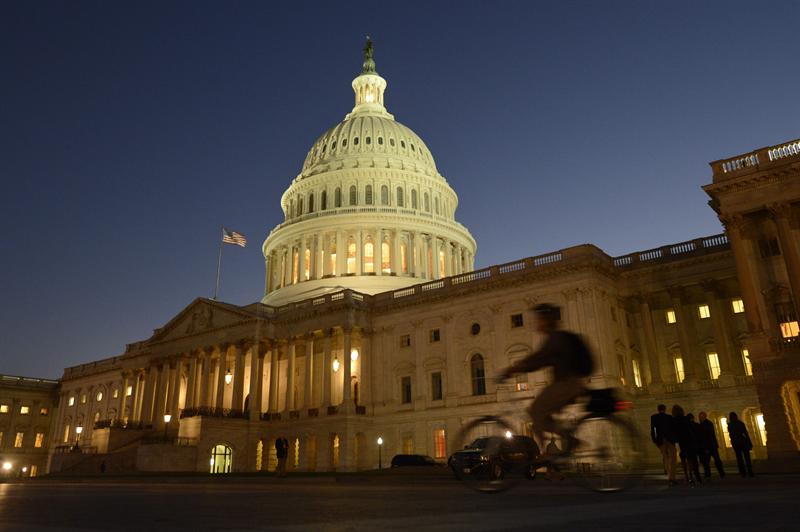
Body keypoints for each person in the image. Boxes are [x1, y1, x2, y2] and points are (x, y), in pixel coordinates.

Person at [500, 303, 595, 450]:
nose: (537, 323)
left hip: (567, 385)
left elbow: (538, 359)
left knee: (535, 410)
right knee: (543, 414)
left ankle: (552, 448)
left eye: (539, 319)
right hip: (571, 384)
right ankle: (564, 444)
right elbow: (540, 360)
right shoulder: (558, 338)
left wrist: (512, 370)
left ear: (547, 320)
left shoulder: (555, 339)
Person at [672, 405, 702, 485]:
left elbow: (673, 433)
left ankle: (687, 476)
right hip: (689, 441)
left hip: (681, 442)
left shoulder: (673, 420)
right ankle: (694, 476)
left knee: (683, 460)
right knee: (691, 460)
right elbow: (691, 430)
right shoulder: (686, 419)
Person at [650, 404, 678, 485]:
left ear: (658, 409)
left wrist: (655, 440)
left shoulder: (654, 417)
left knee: (666, 458)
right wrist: (675, 440)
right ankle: (673, 477)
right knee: (673, 458)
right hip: (670, 440)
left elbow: (653, 429)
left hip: (661, 440)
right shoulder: (669, 417)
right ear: (665, 409)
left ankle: (669, 476)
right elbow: (673, 429)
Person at [697, 411, 725, 478]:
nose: (700, 418)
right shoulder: (708, 423)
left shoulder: (705, 424)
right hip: (712, 446)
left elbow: (708, 436)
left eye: (701, 417)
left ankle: (710, 475)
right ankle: (720, 473)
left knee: (708, 462)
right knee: (714, 461)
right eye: (700, 417)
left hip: (709, 446)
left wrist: (707, 447)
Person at [728, 412, 754, 477]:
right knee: (747, 458)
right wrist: (749, 442)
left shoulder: (730, 425)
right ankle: (750, 472)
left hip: (736, 443)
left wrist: (732, 442)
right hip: (743, 442)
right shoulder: (740, 423)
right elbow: (745, 433)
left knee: (739, 458)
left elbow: (731, 435)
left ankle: (743, 472)